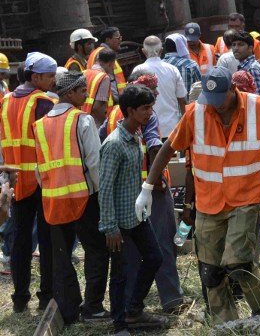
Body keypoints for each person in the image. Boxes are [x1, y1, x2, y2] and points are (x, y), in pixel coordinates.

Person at [138, 67, 260, 324]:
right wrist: (147, 187)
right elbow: (168, 148)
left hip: (246, 199)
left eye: (220, 99)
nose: (216, 106)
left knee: (239, 265)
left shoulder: (259, 107)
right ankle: (227, 326)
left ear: (233, 89)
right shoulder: (196, 113)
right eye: (212, 101)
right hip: (209, 203)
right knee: (211, 273)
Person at [101, 71, 188, 316]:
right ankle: (170, 299)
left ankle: (131, 303)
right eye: (152, 92)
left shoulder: (116, 114)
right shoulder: (145, 114)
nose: (155, 98)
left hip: (127, 194)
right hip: (150, 191)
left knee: (132, 252)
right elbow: (154, 146)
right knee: (162, 244)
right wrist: (157, 181)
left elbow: (101, 142)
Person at [33, 72, 110, 324]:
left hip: (54, 201)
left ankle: (68, 310)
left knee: (61, 255)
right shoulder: (82, 120)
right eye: (81, 91)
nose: (86, 95)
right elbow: (95, 163)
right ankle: (93, 308)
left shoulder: (41, 124)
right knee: (96, 252)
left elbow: (38, 168)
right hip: (84, 198)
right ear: (69, 93)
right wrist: (102, 194)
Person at [99, 85, 166, 334]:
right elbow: (105, 190)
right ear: (130, 111)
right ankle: (119, 324)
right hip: (119, 223)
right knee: (120, 274)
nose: (150, 113)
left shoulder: (135, 135)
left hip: (137, 216)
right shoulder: (114, 144)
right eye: (145, 108)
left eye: (150, 107)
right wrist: (110, 228)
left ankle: (134, 310)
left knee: (154, 258)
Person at [0, 52, 57, 312]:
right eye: (50, 76)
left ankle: (20, 298)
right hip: (41, 178)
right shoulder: (43, 102)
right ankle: (46, 295)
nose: (53, 80)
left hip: (16, 179)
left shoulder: (6, 100)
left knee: (21, 239)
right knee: (46, 239)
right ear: (36, 77)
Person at [133, 35, 187, 139]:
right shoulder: (172, 69)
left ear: (143, 51)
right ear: (161, 50)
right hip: (172, 129)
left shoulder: (137, 71)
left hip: (148, 131)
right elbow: (183, 101)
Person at [87, 27, 126, 98]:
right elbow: (107, 80)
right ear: (108, 40)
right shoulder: (103, 54)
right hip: (108, 102)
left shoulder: (98, 52)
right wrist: (118, 99)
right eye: (118, 37)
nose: (120, 40)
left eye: (120, 37)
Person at [83, 48, 116, 126]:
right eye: (113, 66)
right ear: (111, 64)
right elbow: (97, 107)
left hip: (83, 119)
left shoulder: (84, 72)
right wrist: (105, 125)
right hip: (96, 123)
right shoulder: (104, 77)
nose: (113, 68)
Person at [163, 34, 201, 100]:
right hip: (188, 108)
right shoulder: (191, 65)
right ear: (182, 46)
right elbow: (200, 87)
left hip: (166, 108)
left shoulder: (159, 65)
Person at [230, 30, 260, 96]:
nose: (236, 48)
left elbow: (259, 96)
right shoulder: (244, 65)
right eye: (234, 45)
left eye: (240, 44)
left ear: (250, 48)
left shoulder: (252, 67)